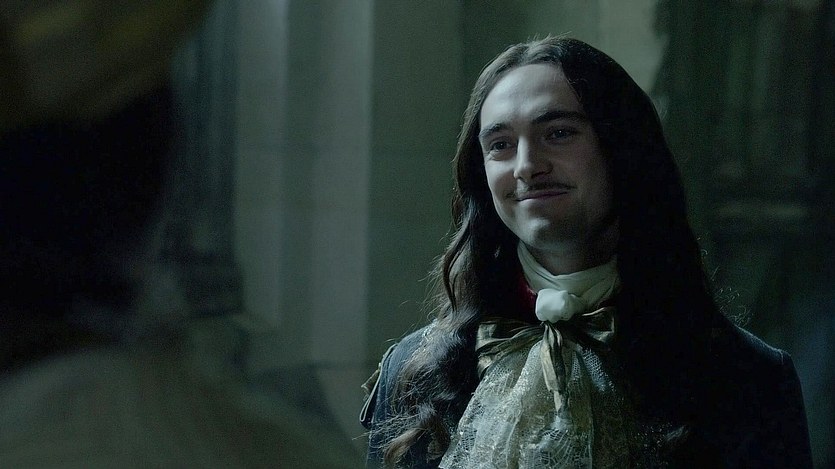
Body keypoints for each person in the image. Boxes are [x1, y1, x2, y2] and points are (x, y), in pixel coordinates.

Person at [361, 37, 812, 468]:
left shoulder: (749, 377)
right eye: (500, 145)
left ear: (622, 149)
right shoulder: (413, 373)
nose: (526, 166)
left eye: (558, 133)